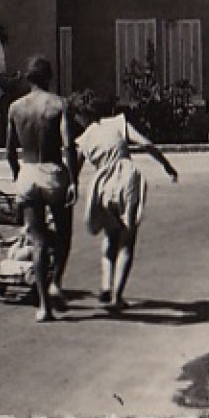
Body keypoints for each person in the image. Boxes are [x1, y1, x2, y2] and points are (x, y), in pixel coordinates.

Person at [76, 107, 178, 313]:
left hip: (102, 183)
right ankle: (117, 297)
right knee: (126, 240)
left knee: (109, 233)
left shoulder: (84, 138)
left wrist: (70, 188)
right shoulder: (118, 123)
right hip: (125, 179)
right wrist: (167, 166)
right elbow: (146, 144)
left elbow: (74, 170)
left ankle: (106, 284)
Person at [4, 55, 76, 323]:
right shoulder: (58, 104)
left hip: (28, 172)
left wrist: (17, 177)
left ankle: (44, 307)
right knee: (64, 233)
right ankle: (56, 281)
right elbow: (68, 146)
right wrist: (74, 181)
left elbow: (9, 152)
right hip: (52, 171)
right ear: (49, 77)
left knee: (38, 241)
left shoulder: (15, 108)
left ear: (28, 79)